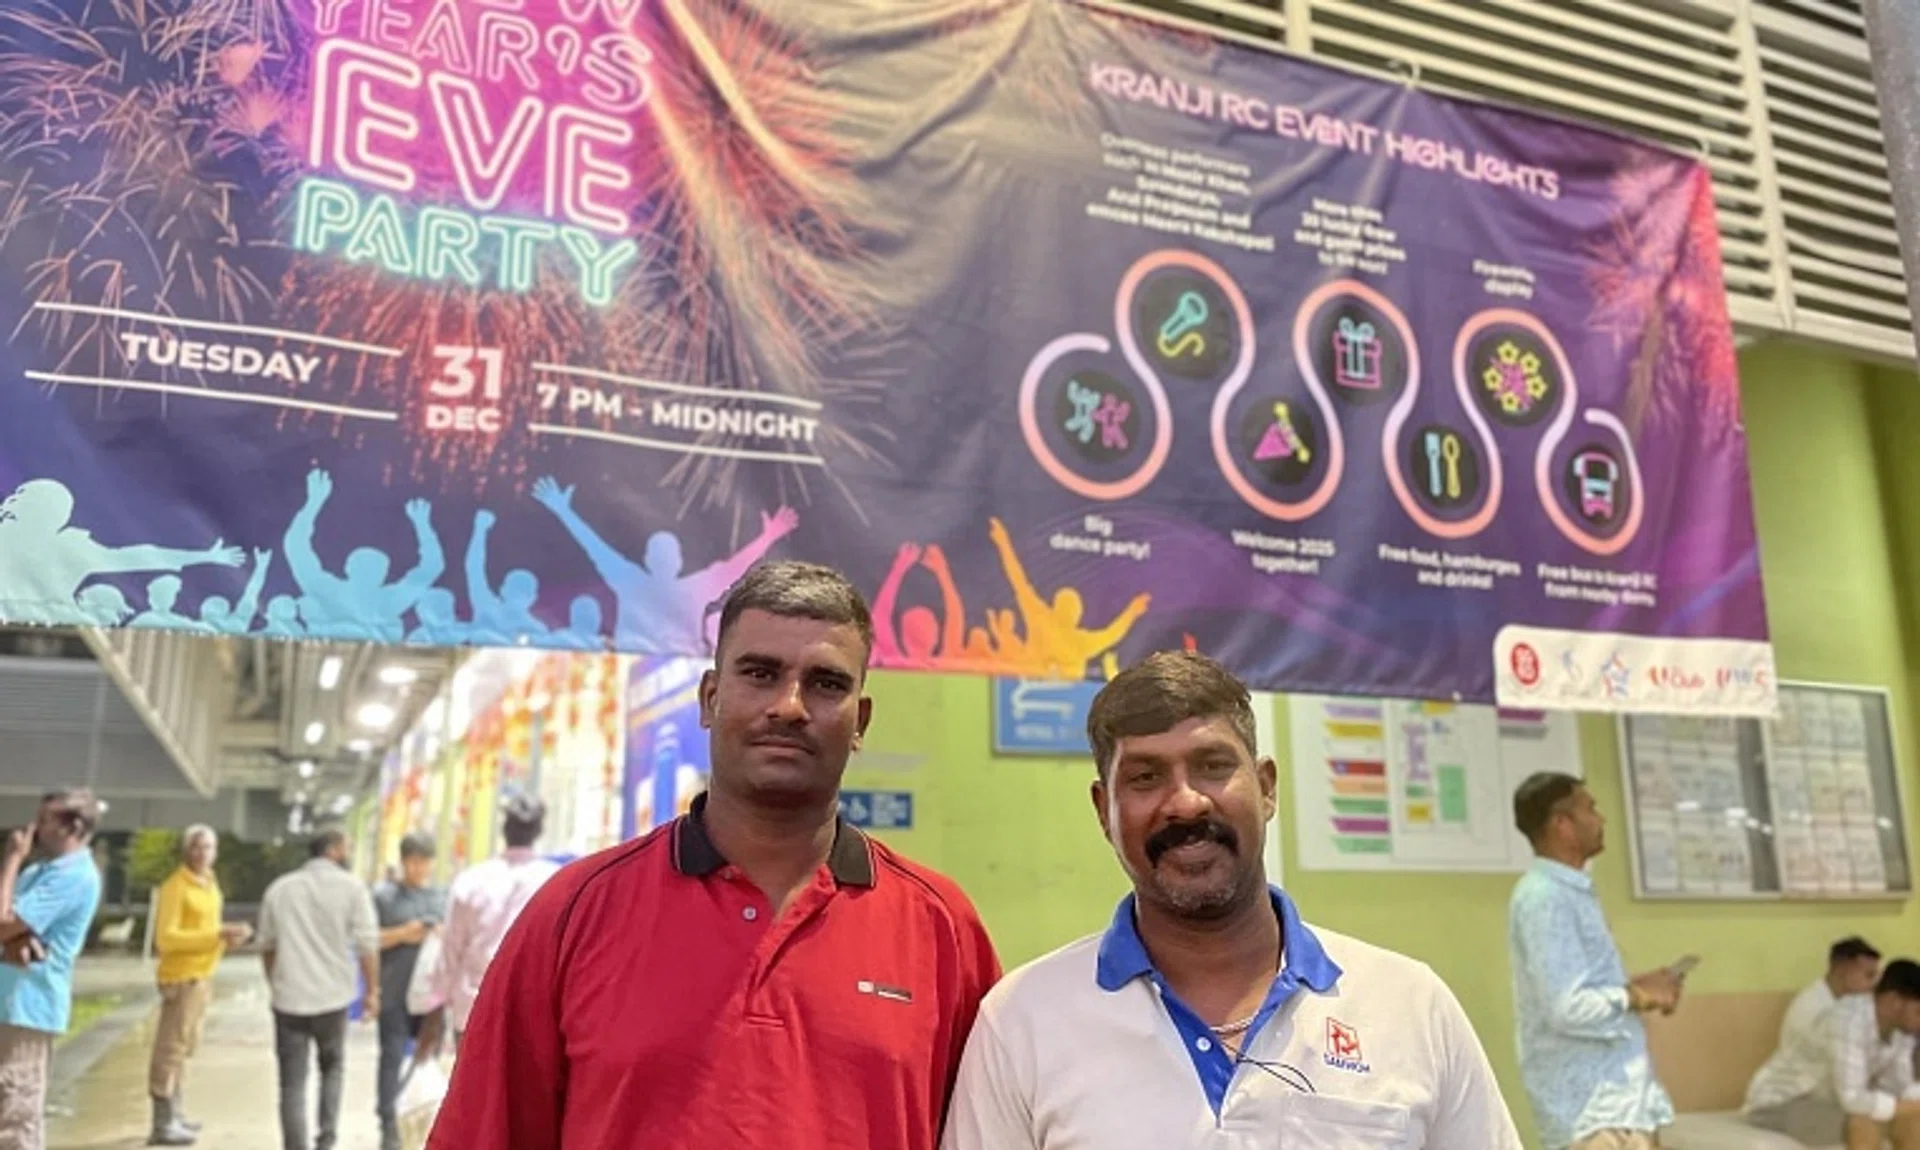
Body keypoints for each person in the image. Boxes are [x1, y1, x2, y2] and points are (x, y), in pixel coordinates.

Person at [428, 560, 1000, 1150]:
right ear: (709, 698)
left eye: (827, 683)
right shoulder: (572, 914)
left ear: (862, 720)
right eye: (760, 673)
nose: (790, 706)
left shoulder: (943, 927)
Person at [943, 652, 1520, 1148]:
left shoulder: (1409, 1006)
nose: (1187, 803)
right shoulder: (1022, 1021)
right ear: (1103, 811)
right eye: (1145, 778)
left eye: (1214, 767)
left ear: (1266, 787)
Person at [1509, 772, 1680, 1150]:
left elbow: (1575, 989)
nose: (1601, 820)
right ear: (1563, 824)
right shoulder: (1545, 897)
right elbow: (1565, 1008)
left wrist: (1640, 987)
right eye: (1591, 808)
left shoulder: (1570, 892)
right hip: (1592, 1114)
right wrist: (1635, 996)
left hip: (1618, 1107)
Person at [257, 830, 380, 1150]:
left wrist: (276, 981)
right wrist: (372, 991)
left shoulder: (280, 889)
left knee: (291, 1085)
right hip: (333, 998)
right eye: (348, 846)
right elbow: (368, 945)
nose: (350, 852)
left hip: (289, 1000)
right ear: (334, 850)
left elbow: (267, 946)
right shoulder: (353, 888)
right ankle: (326, 1142)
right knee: (333, 1070)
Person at [0, 789, 103, 1150]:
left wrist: (12, 858)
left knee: (16, 1113)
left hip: (28, 1006)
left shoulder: (73, 876)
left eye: (45, 820)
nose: (34, 828)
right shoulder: (41, 872)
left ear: (72, 826)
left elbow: (3, 920)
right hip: (7, 999)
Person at [424, 794, 561, 1055]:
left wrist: (437, 1000)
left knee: (472, 1092)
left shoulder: (472, 880)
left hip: (472, 1008)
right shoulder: (556, 880)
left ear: (504, 830)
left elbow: (452, 946)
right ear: (539, 831)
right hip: (533, 1012)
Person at [147, 825, 253, 1145]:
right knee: (170, 1049)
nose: (201, 853)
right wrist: (216, 935)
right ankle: (162, 1122)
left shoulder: (209, 884)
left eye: (207, 847)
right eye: (195, 846)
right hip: (181, 978)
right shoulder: (175, 887)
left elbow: (206, 929)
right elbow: (166, 938)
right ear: (185, 850)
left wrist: (226, 939)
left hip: (203, 975)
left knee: (185, 1047)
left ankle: (176, 1114)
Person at [1746, 956, 1920, 1147]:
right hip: (1783, 1102)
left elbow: (1898, 1087)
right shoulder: (1848, 1020)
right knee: (1863, 1123)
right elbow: (1853, 1099)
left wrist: (1910, 1103)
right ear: (1894, 1001)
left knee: (1910, 1120)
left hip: (1830, 1101)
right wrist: (1907, 1106)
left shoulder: (1903, 1031)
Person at [1743, 934, 1882, 1133]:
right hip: (1790, 1099)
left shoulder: (1851, 1008)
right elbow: (1839, 1068)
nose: (1874, 985)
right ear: (1843, 970)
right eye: (1868, 976)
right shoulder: (1812, 1008)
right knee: (1864, 1126)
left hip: (1821, 1098)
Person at [373, 833, 446, 1150]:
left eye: (425, 862)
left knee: (427, 1061)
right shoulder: (384, 898)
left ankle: (427, 1126)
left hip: (431, 1000)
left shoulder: (441, 898)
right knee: (391, 1059)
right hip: (393, 993)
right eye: (413, 862)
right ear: (403, 862)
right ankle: (389, 1127)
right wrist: (404, 934)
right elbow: (367, 940)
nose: (419, 868)